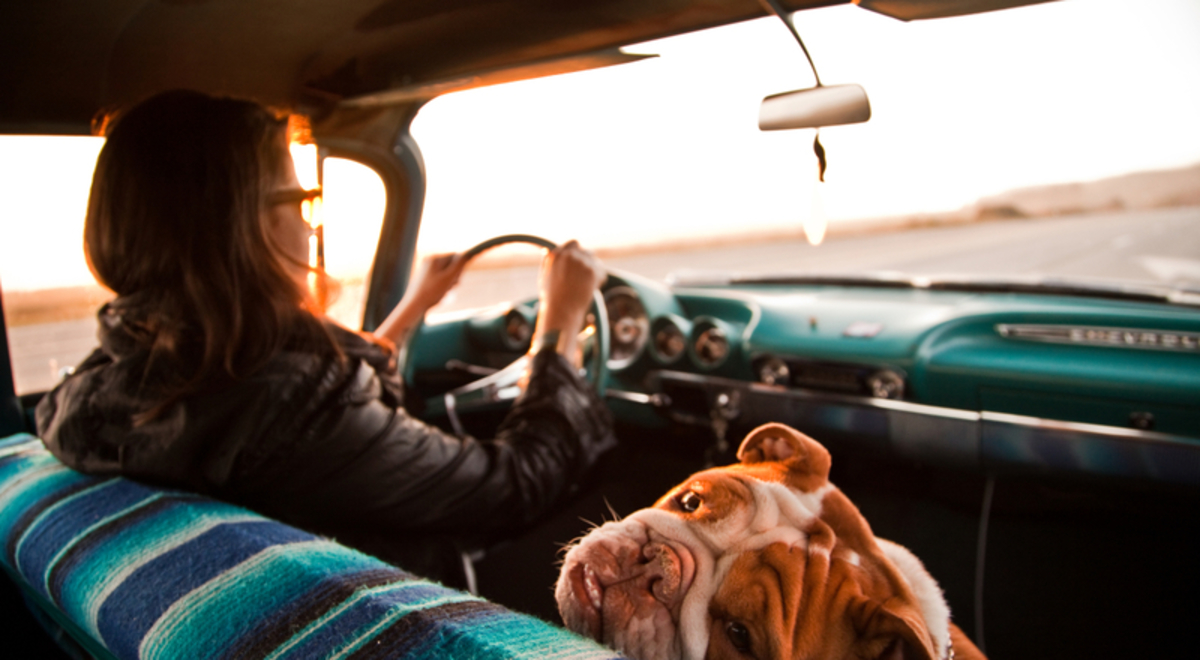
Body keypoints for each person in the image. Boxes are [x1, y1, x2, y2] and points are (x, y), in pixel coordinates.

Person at [35, 90, 617, 586]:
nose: (310, 221)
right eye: (299, 198)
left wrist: (414, 307)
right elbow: (515, 483)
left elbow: (328, 413)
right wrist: (559, 322)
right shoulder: (290, 409)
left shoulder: (112, 383)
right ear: (248, 222)